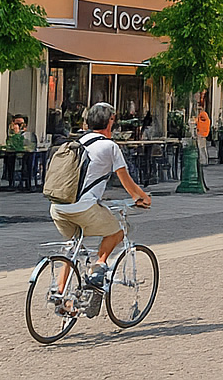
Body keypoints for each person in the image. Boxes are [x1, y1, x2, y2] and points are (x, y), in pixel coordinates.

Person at [48, 102, 151, 286]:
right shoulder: (109, 146)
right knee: (117, 232)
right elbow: (126, 181)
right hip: (84, 208)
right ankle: (98, 266)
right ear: (110, 121)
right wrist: (142, 197)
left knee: (73, 249)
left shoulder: (76, 143)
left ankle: (60, 292)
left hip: (58, 208)